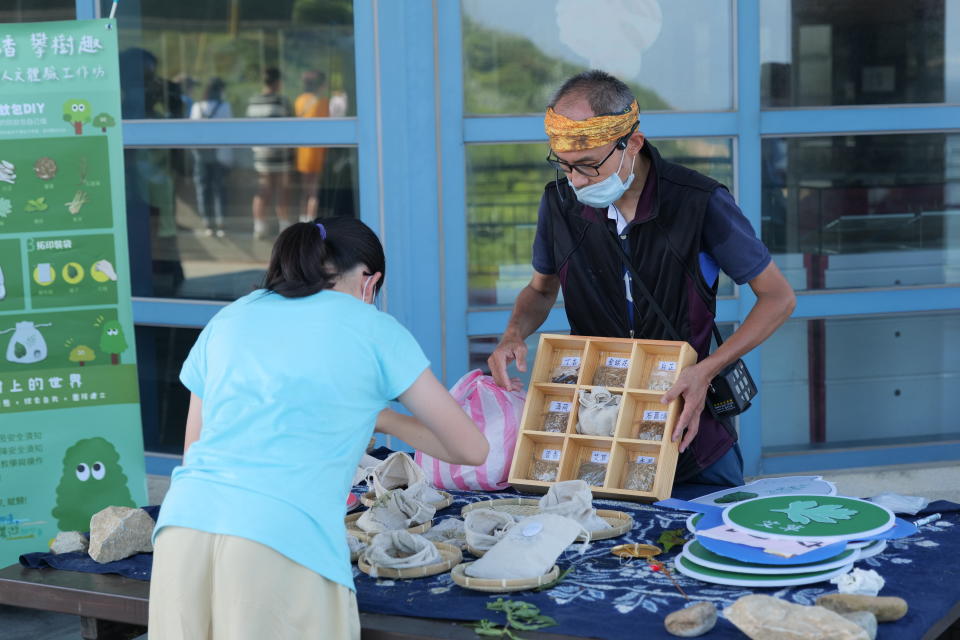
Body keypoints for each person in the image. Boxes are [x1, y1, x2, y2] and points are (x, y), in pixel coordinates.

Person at [149, 217, 489, 639]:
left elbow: (194, 447)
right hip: (279, 541)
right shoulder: (374, 329)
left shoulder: (231, 317)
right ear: (369, 281)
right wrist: (384, 417)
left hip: (183, 529)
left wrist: (369, 414)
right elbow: (471, 449)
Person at [487, 70, 796, 487]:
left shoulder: (698, 202)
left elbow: (778, 298)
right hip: (596, 423)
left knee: (698, 534)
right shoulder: (558, 203)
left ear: (631, 143)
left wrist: (707, 370)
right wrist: (512, 334)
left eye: (588, 166)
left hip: (689, 423)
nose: (575, 181)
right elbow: (541, 290)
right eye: (565, 166)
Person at [246, 67, 294, 240]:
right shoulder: (281, 101)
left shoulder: (253, 101)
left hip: (261, 154)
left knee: (263, 189)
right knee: (282, 189)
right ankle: (284, 224)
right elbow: (290, 127)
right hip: (280, 154)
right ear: (277, 82)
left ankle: (259, 225)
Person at [190, 77, 233, 237]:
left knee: (202, 188)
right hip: (219, 154)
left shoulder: (197, 107)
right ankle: (221, 223)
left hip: (200, 154)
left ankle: (207, 222)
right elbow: (229, 131)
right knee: (218, 188)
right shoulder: (224, 106)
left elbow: (192, 132)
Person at [294, 70, 330, 222]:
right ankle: (311, 220)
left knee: (304, 189)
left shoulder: (299, 100)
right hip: (317, 150)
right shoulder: (322, 102)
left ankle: (303, 219)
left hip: (302, 150)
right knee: (314, 190)